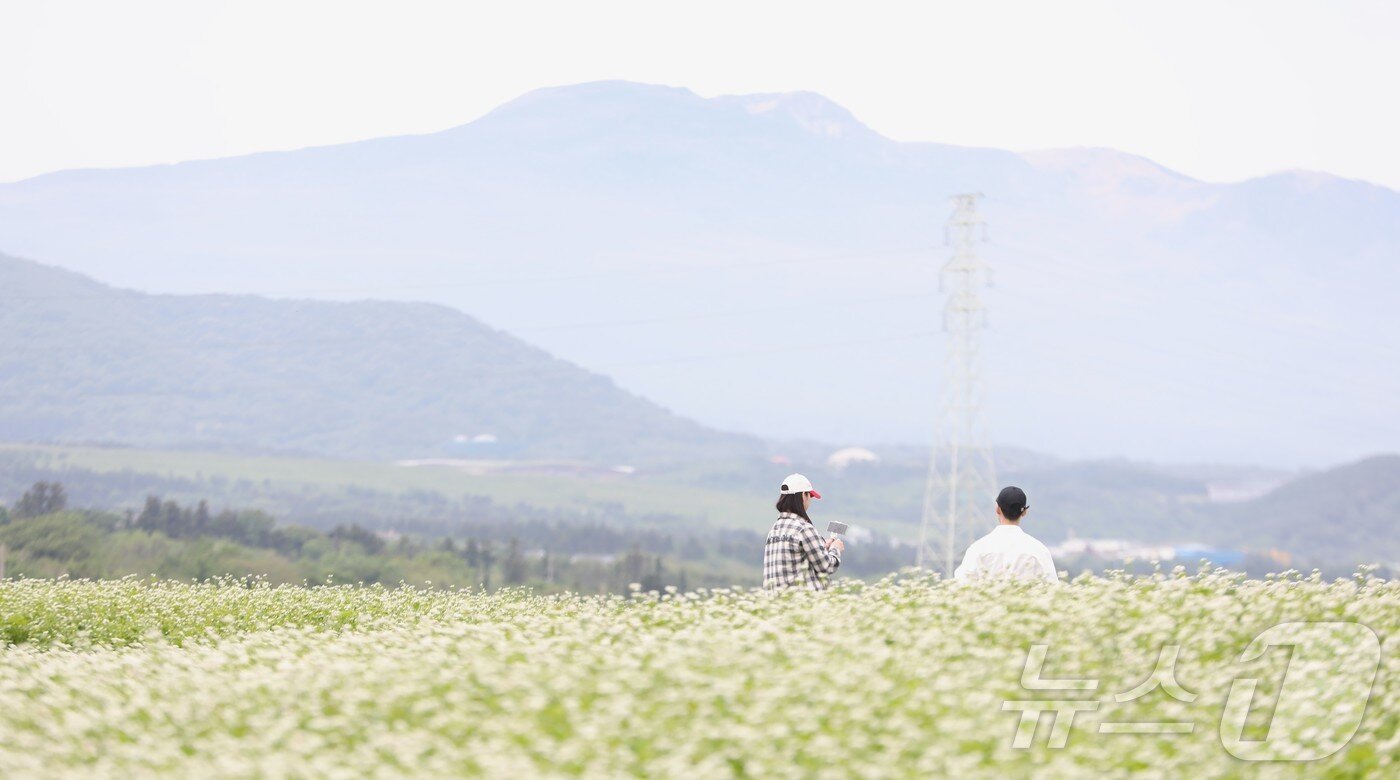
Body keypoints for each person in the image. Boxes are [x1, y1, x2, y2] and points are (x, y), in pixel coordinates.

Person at [953, 486, 1060, 584]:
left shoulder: (978, 549)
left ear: (997, 509)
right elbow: (1052, 587)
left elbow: (961, 585)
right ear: (1024, 512)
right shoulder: (1038, 549)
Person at [763, 473, 844, 590]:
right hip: (804, 602)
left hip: (778, 603)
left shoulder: (774, 530)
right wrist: (835, 549)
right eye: (809, 495)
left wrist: (821, 546)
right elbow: (826, 567)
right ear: (803, 495)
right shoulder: (804, 528)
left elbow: (794, 560)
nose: (810, 500)